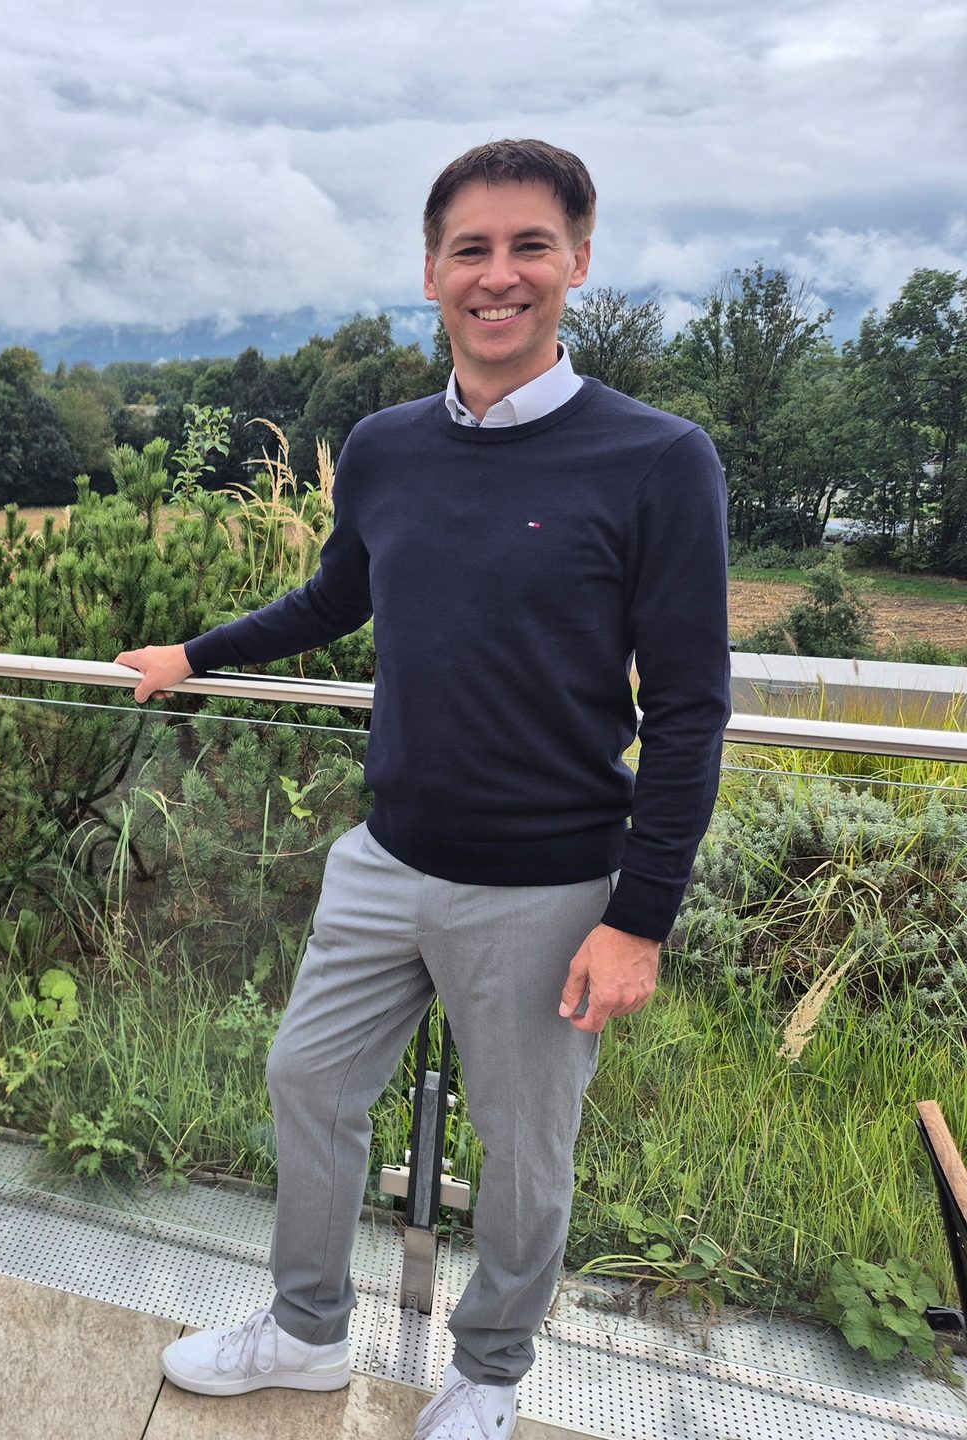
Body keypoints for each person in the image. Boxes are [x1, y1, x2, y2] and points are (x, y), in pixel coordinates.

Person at [116, 139, 729, 1440]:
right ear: (433, 271)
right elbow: (342, 596)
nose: (499, 276)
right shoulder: (388, 447)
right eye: (471, 250)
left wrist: (642, 919)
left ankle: (491, 1373)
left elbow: (687, 709)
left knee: (525, 1159)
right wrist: (197, 656)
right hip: (385, 858)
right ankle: (304, 1334)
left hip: (552, 886)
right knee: (308, 1081)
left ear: (576, 263)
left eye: (528, 247)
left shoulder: (659, 460)